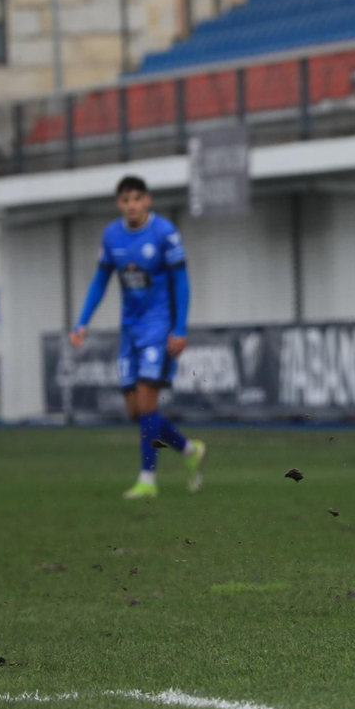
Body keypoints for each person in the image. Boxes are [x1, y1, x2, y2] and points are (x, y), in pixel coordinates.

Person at [71, 175, 206, 499]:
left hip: (158, 327)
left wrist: (180, 328)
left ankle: (148, 479)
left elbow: (182, 283)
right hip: (129, 329)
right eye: (125, 200)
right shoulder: (112, 235)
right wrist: (82, 322)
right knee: (136, 412)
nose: (131, 205)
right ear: (119, 204)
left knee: (147, 401)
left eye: (137, 198)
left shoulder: (165, 234)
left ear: (147, 200)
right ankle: (189, 450)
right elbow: (101, 280)